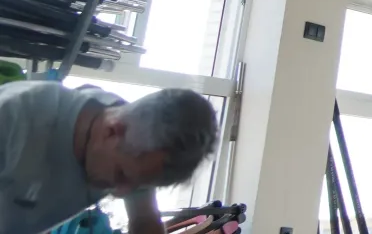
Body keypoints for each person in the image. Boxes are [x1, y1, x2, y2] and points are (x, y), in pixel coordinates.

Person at [0, 82, 217, 234]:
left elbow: (144, 221)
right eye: (120, 175)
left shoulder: (138, 142)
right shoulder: (12, 120)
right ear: (111, 131)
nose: (120, 192)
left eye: (137, 185)